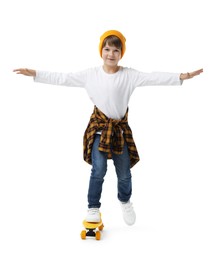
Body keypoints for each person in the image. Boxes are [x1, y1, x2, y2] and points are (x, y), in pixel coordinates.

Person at [13, 30, 203, 226]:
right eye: (107, 49)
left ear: (121, 53)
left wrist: (182, 76)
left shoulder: (129, 75)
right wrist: (36, 73)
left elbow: (154, 77)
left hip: (119, 132)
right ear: (101, 51)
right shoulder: (90, 75)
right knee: (98, 169)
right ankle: (93, 207)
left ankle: (125, 201)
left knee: (124, 173)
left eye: (115, 50)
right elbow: (63, 78)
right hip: (99, 131)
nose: (110, 54)